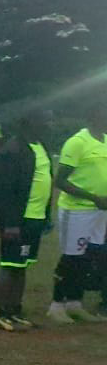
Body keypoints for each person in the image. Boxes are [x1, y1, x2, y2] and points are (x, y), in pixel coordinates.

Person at [0, 109, 54, 331]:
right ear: (30, 122)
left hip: (35, 218)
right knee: (10, 264)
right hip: (18, 221)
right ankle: (2, 313)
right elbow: (4, 190)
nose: (49, 124)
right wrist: (11, 224)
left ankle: (15, 311)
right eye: (45, 120)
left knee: (21, 265)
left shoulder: (40, 146)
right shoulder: (13, 150)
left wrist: (45, 216)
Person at [48, 104, 107, 323]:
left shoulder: (106, 141)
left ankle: (74, 302)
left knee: (89, 256)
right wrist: (93, 197)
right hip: (77, 210)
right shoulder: (77, 142)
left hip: (100, 212)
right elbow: (60, 180)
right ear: (94, 116)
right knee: (71, 257)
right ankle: (56, 305)